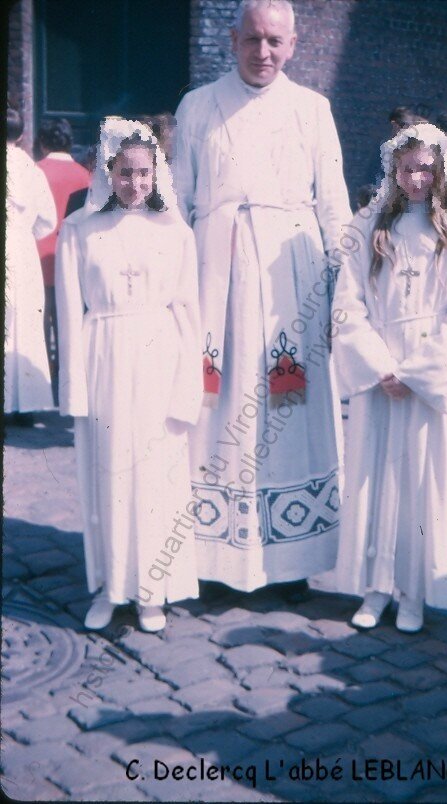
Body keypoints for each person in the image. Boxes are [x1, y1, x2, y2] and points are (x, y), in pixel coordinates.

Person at [173, 0, 351, 601]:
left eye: (276, 40)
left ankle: (293, 557)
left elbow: (334, 207)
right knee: (213, 405)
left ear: (295, 44)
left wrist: (340, 293)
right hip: (214, 281)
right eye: (253, 39)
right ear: (234, 38)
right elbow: (176, 202)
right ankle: (215, 555)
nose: (264, 52)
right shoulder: (197, 105)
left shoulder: (313, 110)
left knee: (288, 408)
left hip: (289, 287)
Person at [333, 123, 447, 633]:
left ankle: (414, 589)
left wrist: (420, 372)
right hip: (381, 368)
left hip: (426, 374)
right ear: (392, 172)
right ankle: (376, 586)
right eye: (407, 169)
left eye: (425, 168)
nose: (417, 179)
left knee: (422, 482)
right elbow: (346, 300)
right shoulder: (370, 223)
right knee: (378, 478)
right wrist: (377, 365)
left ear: (439, 169)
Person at [55, 118, 203, 632]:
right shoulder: (81, 231)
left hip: (159, 360)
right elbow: (70, 314)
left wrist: (188, 387)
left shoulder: (176, 232)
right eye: (124, 172)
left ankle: (151, 591)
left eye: (143, 173)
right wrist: (73, 388)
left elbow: (188, 311)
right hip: (104, 358)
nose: (135, 184)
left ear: (156, 172)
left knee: (155, 479)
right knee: (108, 478)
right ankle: (110, 587)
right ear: (108, 171)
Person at [5, 108, 57, 425]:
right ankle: (25, 405)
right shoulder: (33, 172)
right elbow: (48, 219)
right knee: (24, 323)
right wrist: (26, 232)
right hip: (22, 251)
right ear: (22, 136)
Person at [36, 118, 90, 404]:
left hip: (40, 261)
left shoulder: (36, 171)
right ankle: (69, 386)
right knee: (71, 327)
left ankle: (44, 387)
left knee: (42, 328)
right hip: (74, 265)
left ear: (43, 142)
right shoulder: (86, 176)